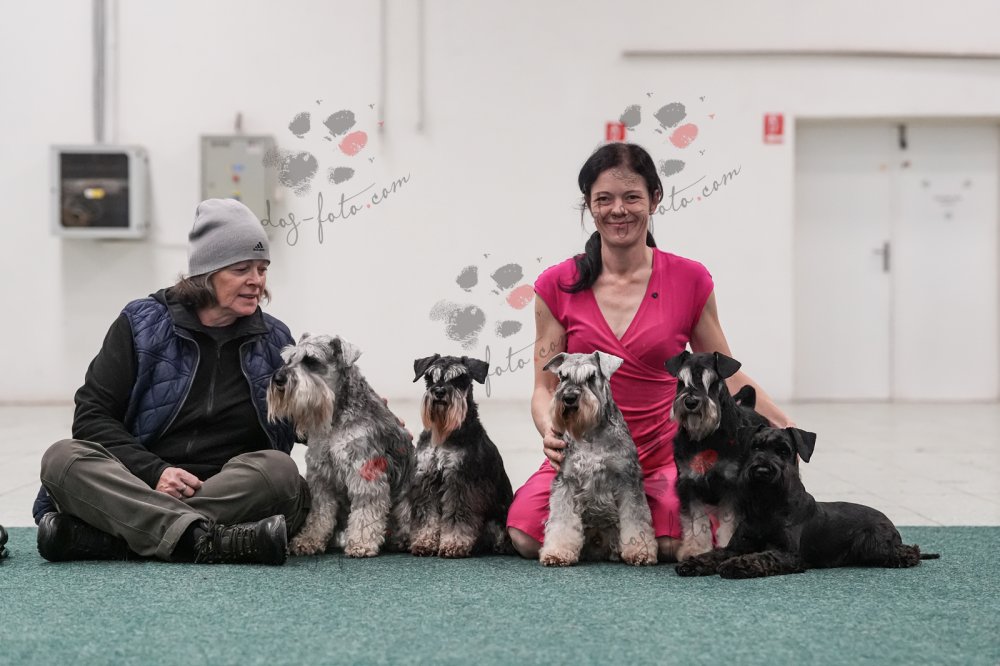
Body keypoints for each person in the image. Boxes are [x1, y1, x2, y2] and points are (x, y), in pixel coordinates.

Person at [505, 143, 793, 562]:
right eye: (604, 199)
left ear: (655, 199)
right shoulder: (556, 284)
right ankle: (605, 533)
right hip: (583, 451)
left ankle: (609, 535)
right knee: (524, 536)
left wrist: (782, 422)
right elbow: (544, 388)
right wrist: (549, 431)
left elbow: (725, 373)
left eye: (631, 197)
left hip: (665, 457)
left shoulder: (690, 279)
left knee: (675, 543)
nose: (618, 210)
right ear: (589, 205)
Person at [33, 199, 307, 565]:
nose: (256, 280)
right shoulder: (141, 323)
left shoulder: (275, 339)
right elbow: (91, 417)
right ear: (206, 273)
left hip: (225, 488)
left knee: (280, 472)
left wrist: (359, 416)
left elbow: (301, 420)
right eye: (242, 269)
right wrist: (155, 472)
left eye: (262, 269)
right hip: (140, 481)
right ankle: (206, 539)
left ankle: (115, 538)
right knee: (62, 459)